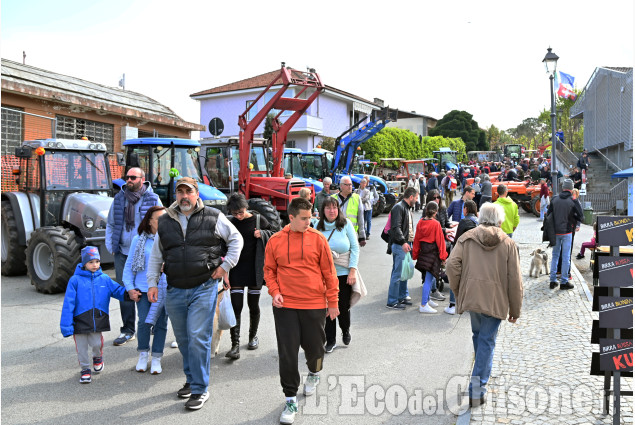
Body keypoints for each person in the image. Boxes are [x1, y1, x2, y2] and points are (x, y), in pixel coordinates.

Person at [146, 177, 244, 410]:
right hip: (175, 289)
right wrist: (152, 283)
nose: (184, 196)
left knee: (198, 336)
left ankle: (200, 389)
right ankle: (191, 380)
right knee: (184, 339)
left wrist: (225, 266)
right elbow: (156, 256)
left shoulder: (213, 216)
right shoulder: (166, 221)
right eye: (179, 192)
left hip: (204, 287)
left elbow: (236, 240)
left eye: (188, 192)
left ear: (196, 194)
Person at [264, 197, 339, 425]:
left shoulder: (318, 240)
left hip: (315, 304)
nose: (309, 221)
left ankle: (314, 373)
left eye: (310, 217)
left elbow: (329, 272)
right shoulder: (276, 241)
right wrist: (274, 291)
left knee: (316, 349)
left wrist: (333, 302)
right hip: (285, 306)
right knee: (287, 352)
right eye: (304, 218)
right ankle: (290, 398)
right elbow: (269, 270)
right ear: (292, 218)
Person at [446, 203, 523, 408]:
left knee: (480, 337)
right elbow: (515, 279)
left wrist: (458, 290)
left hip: (473, 297)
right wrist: (515, 309)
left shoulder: (467, 238)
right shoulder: (508, 243)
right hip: (495, 299)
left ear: (481, 218)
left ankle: (477, 383)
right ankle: (477, 389)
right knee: (486, 341)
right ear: (499, 221)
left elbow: (451, 265)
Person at [60, 247, 139, 384]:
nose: (95, 265)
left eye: (97, 261)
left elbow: (117, 290)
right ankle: (85, 370)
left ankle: (98, 357)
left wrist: (129, 294)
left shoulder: (104, 279)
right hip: (79, 321)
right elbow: (68, 303)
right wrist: (66, 325)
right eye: (91, 262)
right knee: (82, 349)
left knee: (97, 344)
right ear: (84, 263)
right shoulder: (75, 280)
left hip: (97, 319)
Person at [106, 167, 162, 346]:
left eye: (132, 177)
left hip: (148, 254)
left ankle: (151, 324)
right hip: (123, 252)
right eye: (127, 177)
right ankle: (128, 330)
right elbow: (111, 223)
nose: (128, 180)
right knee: (127, 291)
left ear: (142, 179)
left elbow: (162, 224)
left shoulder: (152, 198)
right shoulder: (119, 198)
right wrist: (110, 245)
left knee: (151, 289)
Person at [225, 193, 275, 360]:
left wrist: (262, 233)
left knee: (253, 305)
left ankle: (253, 337)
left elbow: (276, 235)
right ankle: (235, 345)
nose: (238, 216)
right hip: (236, 270)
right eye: (234, 213)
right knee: (236, 307)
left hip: (255, 269)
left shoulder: (259, 220)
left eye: (240, 212)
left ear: (246, 207)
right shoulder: (229, 222)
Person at [122, 206, 169, 374]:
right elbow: (128, 268)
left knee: (161, 324)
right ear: (150, 221)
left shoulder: (170, 239)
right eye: (159, 219)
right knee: (143, 323)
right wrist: (130, 289)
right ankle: (143, 354)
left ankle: (156, 357)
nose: (163, 222)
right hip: (142, 289)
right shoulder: (138, 240)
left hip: (164, 289)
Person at [316, 196, 361, 353]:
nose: (331, 211)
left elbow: (355, 248)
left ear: (338, 209)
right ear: (323, 211)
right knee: (328, 306)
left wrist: (353, 270)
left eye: (334, 207)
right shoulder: (317, 226)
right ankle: (330, 339)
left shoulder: (346, 224)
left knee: (342, 306)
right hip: (324, 275)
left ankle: (345, 330)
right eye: (328, 208)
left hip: (343, 272)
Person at [546, 179, 583, 290]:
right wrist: (573, 219)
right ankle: (564, 282)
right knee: (566, 257)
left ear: (563, 188)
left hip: (556, 232)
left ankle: (552, 281)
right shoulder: (573, 200)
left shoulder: (555, 199)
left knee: (555, 255)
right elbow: (581, 216)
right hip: (567, 232)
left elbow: (549, 215)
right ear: (571, 189)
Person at [412, 201, 447, 314]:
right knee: (429, 279)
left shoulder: (420, 222)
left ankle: (427, 300)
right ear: (436, 212)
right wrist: (443, 257)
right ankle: (423, 304)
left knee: (429, 278)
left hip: (423, 253)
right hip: (433, 254)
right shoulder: (436, 224)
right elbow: (441, 242)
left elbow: (416, 240)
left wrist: (415, 254)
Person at [386, 187, 418, 309]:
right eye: (416, 197)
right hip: (401, 245)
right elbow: (396, 228)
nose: (416, 200)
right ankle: (392, 301)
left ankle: (402, 297)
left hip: (405, 244)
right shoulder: (399, 207)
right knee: (398, 273)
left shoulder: (406, 208)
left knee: (405, 271)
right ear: (411, 197)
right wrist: (404, 242)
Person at [334, 176, 366, 247]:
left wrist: (362, 236)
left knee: (352, 256)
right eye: (347, 185)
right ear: (341, 186)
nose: (350, 186)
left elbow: (361, 218)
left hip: (352, 234)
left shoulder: (357, 198)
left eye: (351, 184)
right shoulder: (333, 198)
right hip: (336, 233)